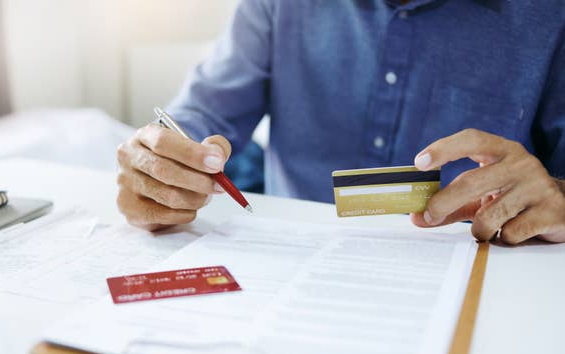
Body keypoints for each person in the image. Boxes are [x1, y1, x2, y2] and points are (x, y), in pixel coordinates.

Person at [116, 0, 565, 244]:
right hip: (291, 261)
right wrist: (162, 168)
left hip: (481, 272)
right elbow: (200, 115)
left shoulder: (550, 17)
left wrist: (558, 197)